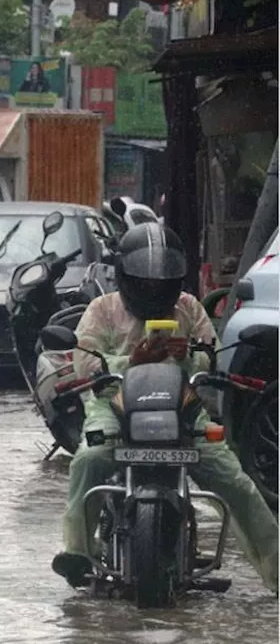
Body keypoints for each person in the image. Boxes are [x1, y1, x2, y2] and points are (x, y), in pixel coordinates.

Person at [52, 223, 278, 593]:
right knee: (88, 460)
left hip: (184, 409)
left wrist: (186, 355)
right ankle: (78, 552)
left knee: (238, 483)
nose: (154, 289)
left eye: (162, 283)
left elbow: (210, 356)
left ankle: (277, 572)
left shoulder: (189, 308)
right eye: (145, 282)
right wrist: (132, 361)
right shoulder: (102, 309)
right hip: (115, 406)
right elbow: (85, 362)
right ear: (127, 276)